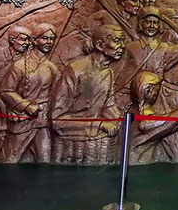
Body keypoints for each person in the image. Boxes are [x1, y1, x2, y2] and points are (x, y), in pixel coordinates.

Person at [50, 24, 126, 164]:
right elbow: (57, 120)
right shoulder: (75, 70)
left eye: (123, 41)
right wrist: (99, 125)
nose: (122, 46)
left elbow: (108, 106)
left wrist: (122, 120)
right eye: (117, 41)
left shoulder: (108, 72)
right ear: (99, 45)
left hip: (99, 146)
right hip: (72, 147)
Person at [0, 24, 60, 163]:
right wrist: (25, 106)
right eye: (45, 38)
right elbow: (5, 90)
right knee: (9, 159)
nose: (49, 42)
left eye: (51, 39)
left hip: (42, 121)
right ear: (34, 40)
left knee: (45, 160)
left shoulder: (52, 68)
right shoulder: (19, 66)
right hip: (23, 120)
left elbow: (57, 95)